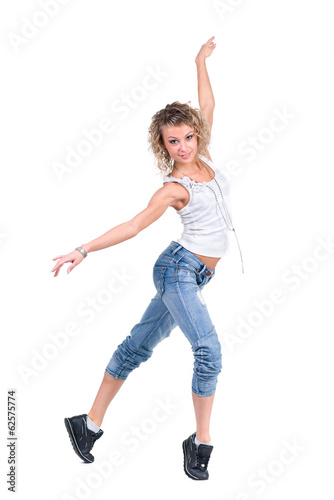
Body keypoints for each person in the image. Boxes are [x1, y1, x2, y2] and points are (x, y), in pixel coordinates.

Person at [51, 36, 244, 481]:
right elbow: (134, 225)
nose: (184, 147)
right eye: (173, 141)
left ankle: (88, 425)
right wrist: (83, 249)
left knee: (137, 347)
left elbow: (207, 102)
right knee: (208, 351)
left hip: (195, 277)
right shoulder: (174, 188)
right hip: (178, 271)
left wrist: (200, 62)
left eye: (189, 137)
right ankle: (201, 443)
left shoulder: (206, 156)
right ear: (164, 146)